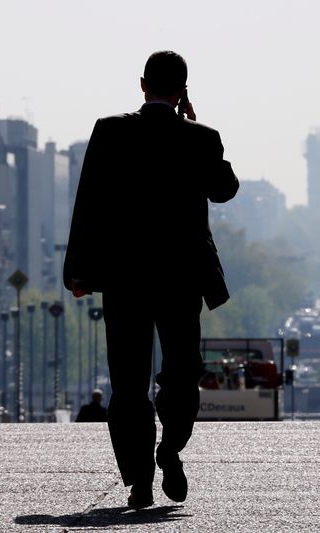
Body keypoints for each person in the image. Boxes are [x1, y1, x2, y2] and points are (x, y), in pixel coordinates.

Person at [63, 50, 239, 510]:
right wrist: (196, 126)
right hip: (181, 278)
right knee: (182, 374)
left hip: (125, 278)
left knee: (127, 382)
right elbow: (224, 189)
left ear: (142, 84)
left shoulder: (110, 131)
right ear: (183, 89)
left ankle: (139, 480)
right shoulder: (201, 138)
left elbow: (88, 204)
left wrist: (78, 270)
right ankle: (170, 448)